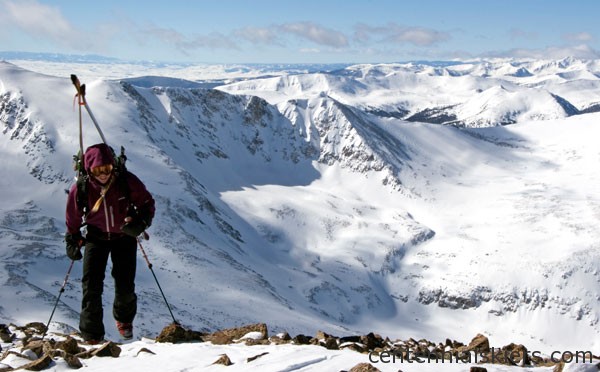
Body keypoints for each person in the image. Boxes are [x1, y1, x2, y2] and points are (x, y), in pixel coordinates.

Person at [65, 143, 155, 343]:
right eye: (98, 170)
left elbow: (147, 203)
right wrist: (72, 238)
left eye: (106, 168)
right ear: (89, 170)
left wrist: (140, 223)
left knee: (125, 285)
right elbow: (73, 216)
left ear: (113, 166)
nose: (103, 174)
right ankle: (91, 335)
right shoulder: (81, 188)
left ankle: (124, 320)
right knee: (91, 287)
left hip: (124, 237)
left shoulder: (127, 182)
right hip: (96, 238)